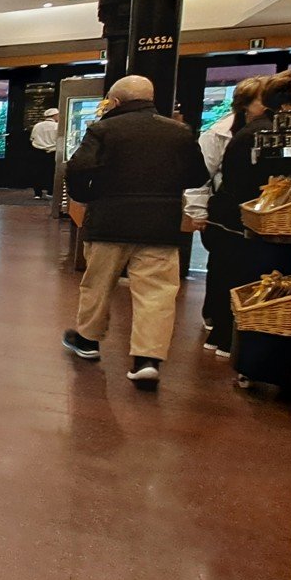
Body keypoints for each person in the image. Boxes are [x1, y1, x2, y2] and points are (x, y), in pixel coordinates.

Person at [62, 75, 209, 387]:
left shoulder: (103, 129)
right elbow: (198, 175)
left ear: (115, 101)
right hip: (161, 224)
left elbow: (77, 167)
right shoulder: (178, 132)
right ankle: (147, 360)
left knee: (98, 284)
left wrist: (86, 196)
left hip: (109, 221)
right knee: (157, 293)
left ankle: (88, 340)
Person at [206, 69, 291, 362]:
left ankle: (225, 337)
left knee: (231, 277)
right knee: (257, 282)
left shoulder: (250, 130)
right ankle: (249, 351)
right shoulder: (275, 133)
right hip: (258, 221)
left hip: (234, 215)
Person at [187, 75, 269, 354]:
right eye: (262, 101)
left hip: (255, 212)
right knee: (223, 268)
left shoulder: (266, 130)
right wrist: (197, 212)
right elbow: (200, 175)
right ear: (245, 103)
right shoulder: (218, 134)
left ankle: (230, 326)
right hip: (226, 211)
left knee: (239, 269)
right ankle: (218, 322)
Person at [29, 107, 60, 198]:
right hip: (52, 152)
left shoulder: (37, 126)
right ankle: (50, 192)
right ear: (55, 115)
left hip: (38, 151)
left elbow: (32, 138)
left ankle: (37, 193)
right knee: (51, 172)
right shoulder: (57, 126)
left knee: (37, 172)